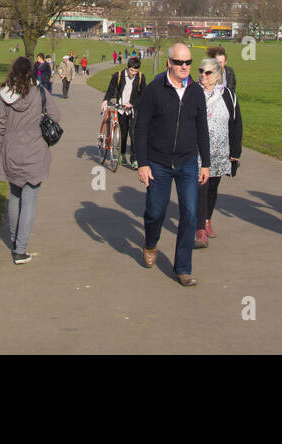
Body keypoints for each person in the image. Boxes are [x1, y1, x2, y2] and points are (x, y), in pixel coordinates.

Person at [134, 43, 210, 286]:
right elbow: (141, 127)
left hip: (187, 161)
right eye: (179, 62)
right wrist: (142, 163)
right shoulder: (155, 89)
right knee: (156, 211)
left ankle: (183, 268)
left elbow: (202, 129)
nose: (184, 67)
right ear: (169, 63)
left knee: (189, 212)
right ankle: (151, 242)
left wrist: (205, 163)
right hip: (158, 162)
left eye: (188, 62)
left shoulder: (196, 92)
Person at [0, 56, 60, 264]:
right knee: (29, 200)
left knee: (15, 196)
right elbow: (56, 115)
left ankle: (15, 240)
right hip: (34, 152)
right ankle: (20, 249)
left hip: (11, 151)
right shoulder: (40, 92)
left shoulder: (3, 95)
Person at [194, 58, 241, 247]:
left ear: (218, 75)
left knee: (213, 188)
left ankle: (207, 220)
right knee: (201, 187)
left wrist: (235, 152)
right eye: (201, 71)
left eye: (208, 73)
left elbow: (236, 123)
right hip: (198, 152)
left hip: (221, 151)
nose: (203, 76)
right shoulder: (194, 92)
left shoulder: (228, 95)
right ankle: (199, 229)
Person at [103, 57, 146, 167]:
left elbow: (143, 95)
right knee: (123, 134)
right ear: (127, 68)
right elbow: (110, 89)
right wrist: (105, 100)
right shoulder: (118, 76)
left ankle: (134, 159)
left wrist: (132, 103)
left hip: (133, 110)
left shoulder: (141, 77)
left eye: (136, 71)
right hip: (121, 109)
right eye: (132, 70)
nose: (134, 73)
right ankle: (122, 153)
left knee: (133, 134)